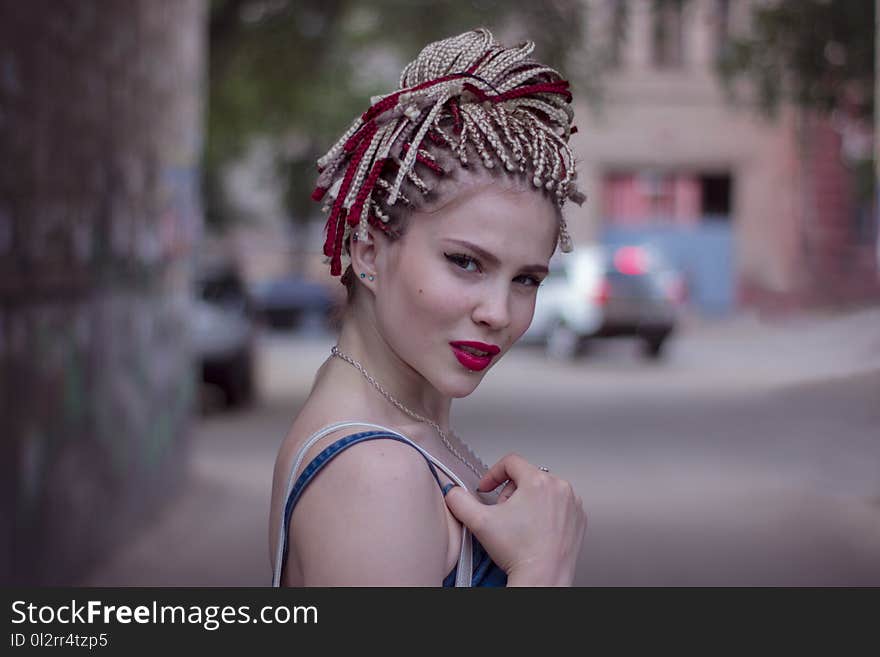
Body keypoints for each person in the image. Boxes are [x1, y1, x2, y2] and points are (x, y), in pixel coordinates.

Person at [269, 28, 587, 587]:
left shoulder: (395, 427)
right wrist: (544, 569)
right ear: (367, 250)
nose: (499, 312)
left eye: (528, 279)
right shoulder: (374, 475)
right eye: (466, 262)